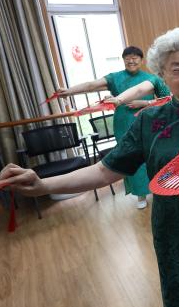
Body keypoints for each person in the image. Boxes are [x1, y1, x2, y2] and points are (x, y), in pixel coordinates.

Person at [0, 28, 179, 307]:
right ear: (161, 73)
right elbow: (106, 171)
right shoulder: (149, 121)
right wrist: (41, 184)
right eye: (177, 69)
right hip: (175, 235)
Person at [55, 46, 169, 209]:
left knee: (153, 155)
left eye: (135, 57)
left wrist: (144, 103)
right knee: (130, 156)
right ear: (123, 60)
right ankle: (140, 194)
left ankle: (159, 188)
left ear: (142, 60)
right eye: (128, 57)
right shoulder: (114, 78)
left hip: (149, 121)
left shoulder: (150, 78)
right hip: (123, 122)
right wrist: (69, 91)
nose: (132, 60)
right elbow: (91, 85)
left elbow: (165, 100)